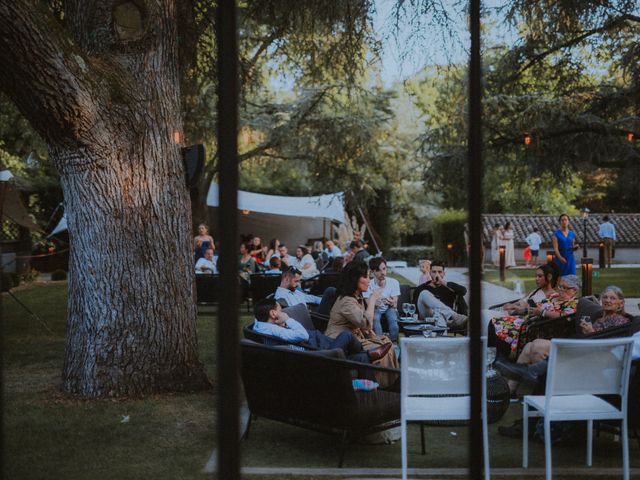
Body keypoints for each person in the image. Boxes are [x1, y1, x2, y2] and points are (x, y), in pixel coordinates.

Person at [497, 285, 633, 394]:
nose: (608, 300)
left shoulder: (620, 321)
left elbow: (611, 346)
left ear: (620, 304)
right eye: (605, 297)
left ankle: (540, 383)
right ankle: (510, 390)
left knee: (537, 346)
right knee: (529, 346)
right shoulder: (599, 317)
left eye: (613, 298)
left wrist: (591, 332)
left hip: (587, 356)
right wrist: (588, 333)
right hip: (579, 346)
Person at [326, 261, 399, 386]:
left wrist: (374, 337)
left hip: (355, 338)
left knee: (387, 343)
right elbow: (365, 323)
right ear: (355, 279)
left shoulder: (355, 297)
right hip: (340, 342)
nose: (369, 280)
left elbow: (364, 327)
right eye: (365, 277)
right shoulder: (346, 301)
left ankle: (392, 382)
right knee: (384, 350)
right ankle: (383, 385)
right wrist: (372, 299)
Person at [252, 298, 389, 363]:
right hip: (320, 353)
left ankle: (366, 356)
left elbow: (257, 321)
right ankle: (367, 355)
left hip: (318, 344)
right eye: (279, 309)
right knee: (347, 335)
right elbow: (302, 335)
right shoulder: (276, 331)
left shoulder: (261, 325)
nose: (282, 311)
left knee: (357, 358)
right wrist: (287, 319)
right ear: (273, 314)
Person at [490, 274, 580, 360]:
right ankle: (493, 354)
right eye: (560, 286)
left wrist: (543, 312)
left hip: (538, 327)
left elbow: (564, 317)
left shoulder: (573, 303)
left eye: (564, 288)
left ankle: (502, 357)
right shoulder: (554, 296)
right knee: (494, 322)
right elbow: (537, 306)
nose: (560, 290)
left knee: (502, 327)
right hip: (528, 319)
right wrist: (527, 309)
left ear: (574, 290)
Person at [413, 260, 468, 329]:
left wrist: (443, 282)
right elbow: (415, 309)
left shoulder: (449, 287)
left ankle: (442, 336)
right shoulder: (421, 288)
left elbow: (463, 291)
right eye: (434, 272)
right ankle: (454, 316)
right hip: (426, 317)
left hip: (446, 320)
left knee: (438, 313)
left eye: (439, 272)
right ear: (430, 273)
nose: (437, 275)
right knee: (424, 293)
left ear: (444, 274)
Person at [363, 257, 400, 342]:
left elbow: (395, 304)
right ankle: (379, 342)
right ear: (372, 272)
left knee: (393, 320)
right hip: (375, 309)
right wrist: (376, 302)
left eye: (384, 269)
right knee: (375, 318)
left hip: (389, 308)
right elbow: (369, 303)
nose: (382, 273)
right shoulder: (368, 284)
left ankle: (394, 342)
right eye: (378, 270)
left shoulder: (394, 282)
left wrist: (391, 302)